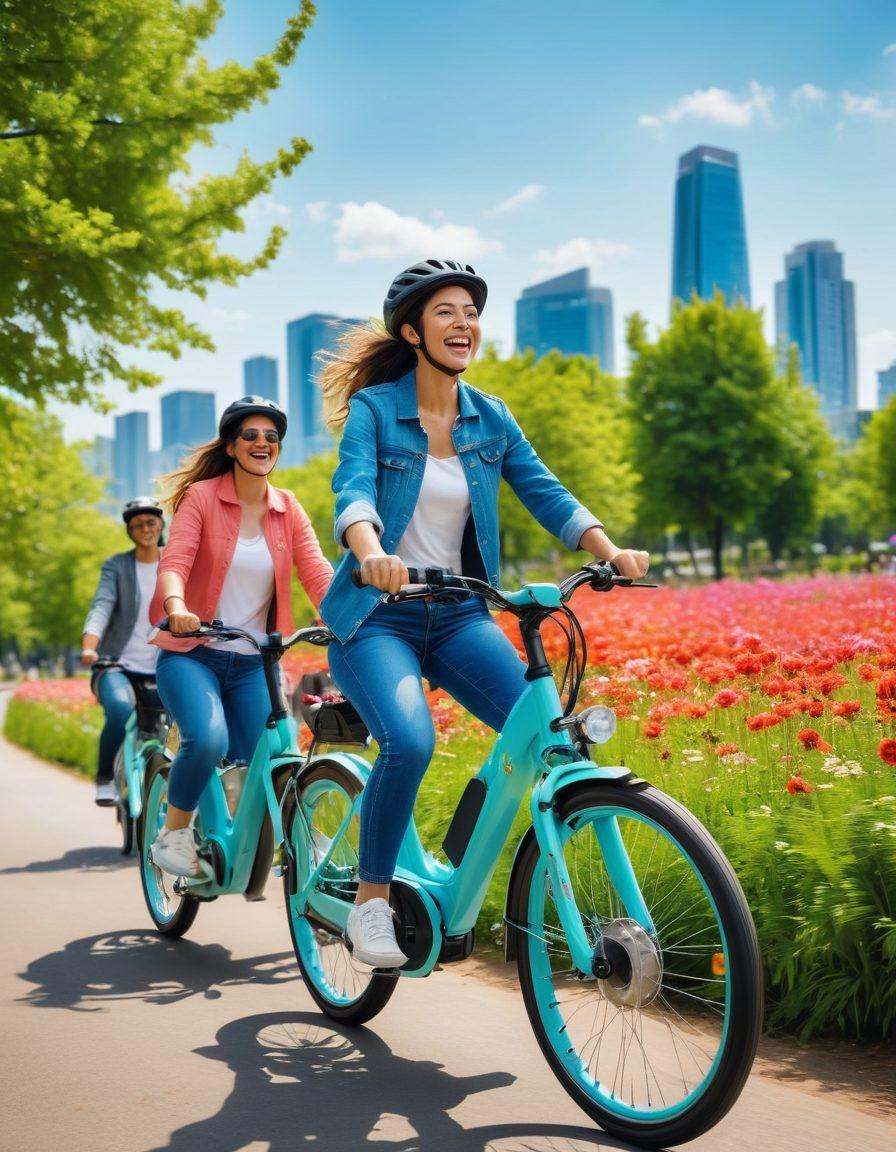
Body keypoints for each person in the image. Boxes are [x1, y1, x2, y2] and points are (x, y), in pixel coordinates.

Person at [319, 259, 650, 967]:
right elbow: (353, 489)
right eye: (446, 311)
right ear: (412, 332)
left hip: (461, 614)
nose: (463, 322)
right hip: (378, 615)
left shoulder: (490, 416)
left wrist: (608, 548)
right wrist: (371, 550)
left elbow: (546, 490)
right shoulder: (377, 410)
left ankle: (473, 879)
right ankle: (370, 904)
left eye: (470, 311)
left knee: (554, 742)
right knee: (409, 743)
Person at [147, 396, 332, 879]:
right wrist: (177, 608)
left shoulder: (288, 508)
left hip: (255, 664)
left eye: (271, 437)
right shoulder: (202, 497)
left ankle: (302, 842)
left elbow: (317, 572)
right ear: (231, 446)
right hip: (193, 655)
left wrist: (347, 619)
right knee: (208, 739)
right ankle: (173, 834)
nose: (262, 443)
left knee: (280, 757)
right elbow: (175, 562)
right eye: (250, 435)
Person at [82, 497, 165, 806]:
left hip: (167, 662)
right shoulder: (117, 566)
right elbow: (102, 606)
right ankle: (105, 777)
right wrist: (90, 646)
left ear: (161, 525)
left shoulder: (175, 561)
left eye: (151, 523)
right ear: (129, 531)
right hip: (116, 663)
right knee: (119, 709)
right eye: (137, 525)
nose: (145, 529)